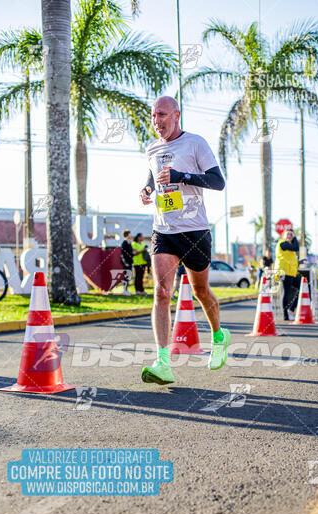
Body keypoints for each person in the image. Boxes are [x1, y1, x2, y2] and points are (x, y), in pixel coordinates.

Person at [139, 95, 228, 385]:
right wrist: (146, 189)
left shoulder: (195, 143)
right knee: (162, 292)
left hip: (195, 231)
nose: (156, 121)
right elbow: (154, 176)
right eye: (153, 116)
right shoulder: (152, 148)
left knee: (201, 292)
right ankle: (162, 362)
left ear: (176, 115)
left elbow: (218, 182)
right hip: (164, 230)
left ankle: (218, 335)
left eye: (162, 115)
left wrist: (182, 176)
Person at [274, 228, 300, 320]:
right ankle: (286, 315)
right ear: (283, 235)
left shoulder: (289, 246)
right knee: (286, 293)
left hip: (291, 272)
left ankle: (292, 308)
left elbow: (291, 257)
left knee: (303, 288)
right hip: (284, 272)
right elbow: (296, 247)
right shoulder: (282, 243)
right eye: (287, 234)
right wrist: (295, 237)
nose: (289, 236)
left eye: (291, 235)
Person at [121, 229, 133, 295]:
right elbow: (122, 254)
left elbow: (130, 253)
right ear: (127, 234)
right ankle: (124, 290)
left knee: (128, 276)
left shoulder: (129, 243)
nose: (130, 235)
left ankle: (126, 289)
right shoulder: (124, 243)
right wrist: (125, 262)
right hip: (126, 263)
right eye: (129, 234)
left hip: (130, 262)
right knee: (126, 276)